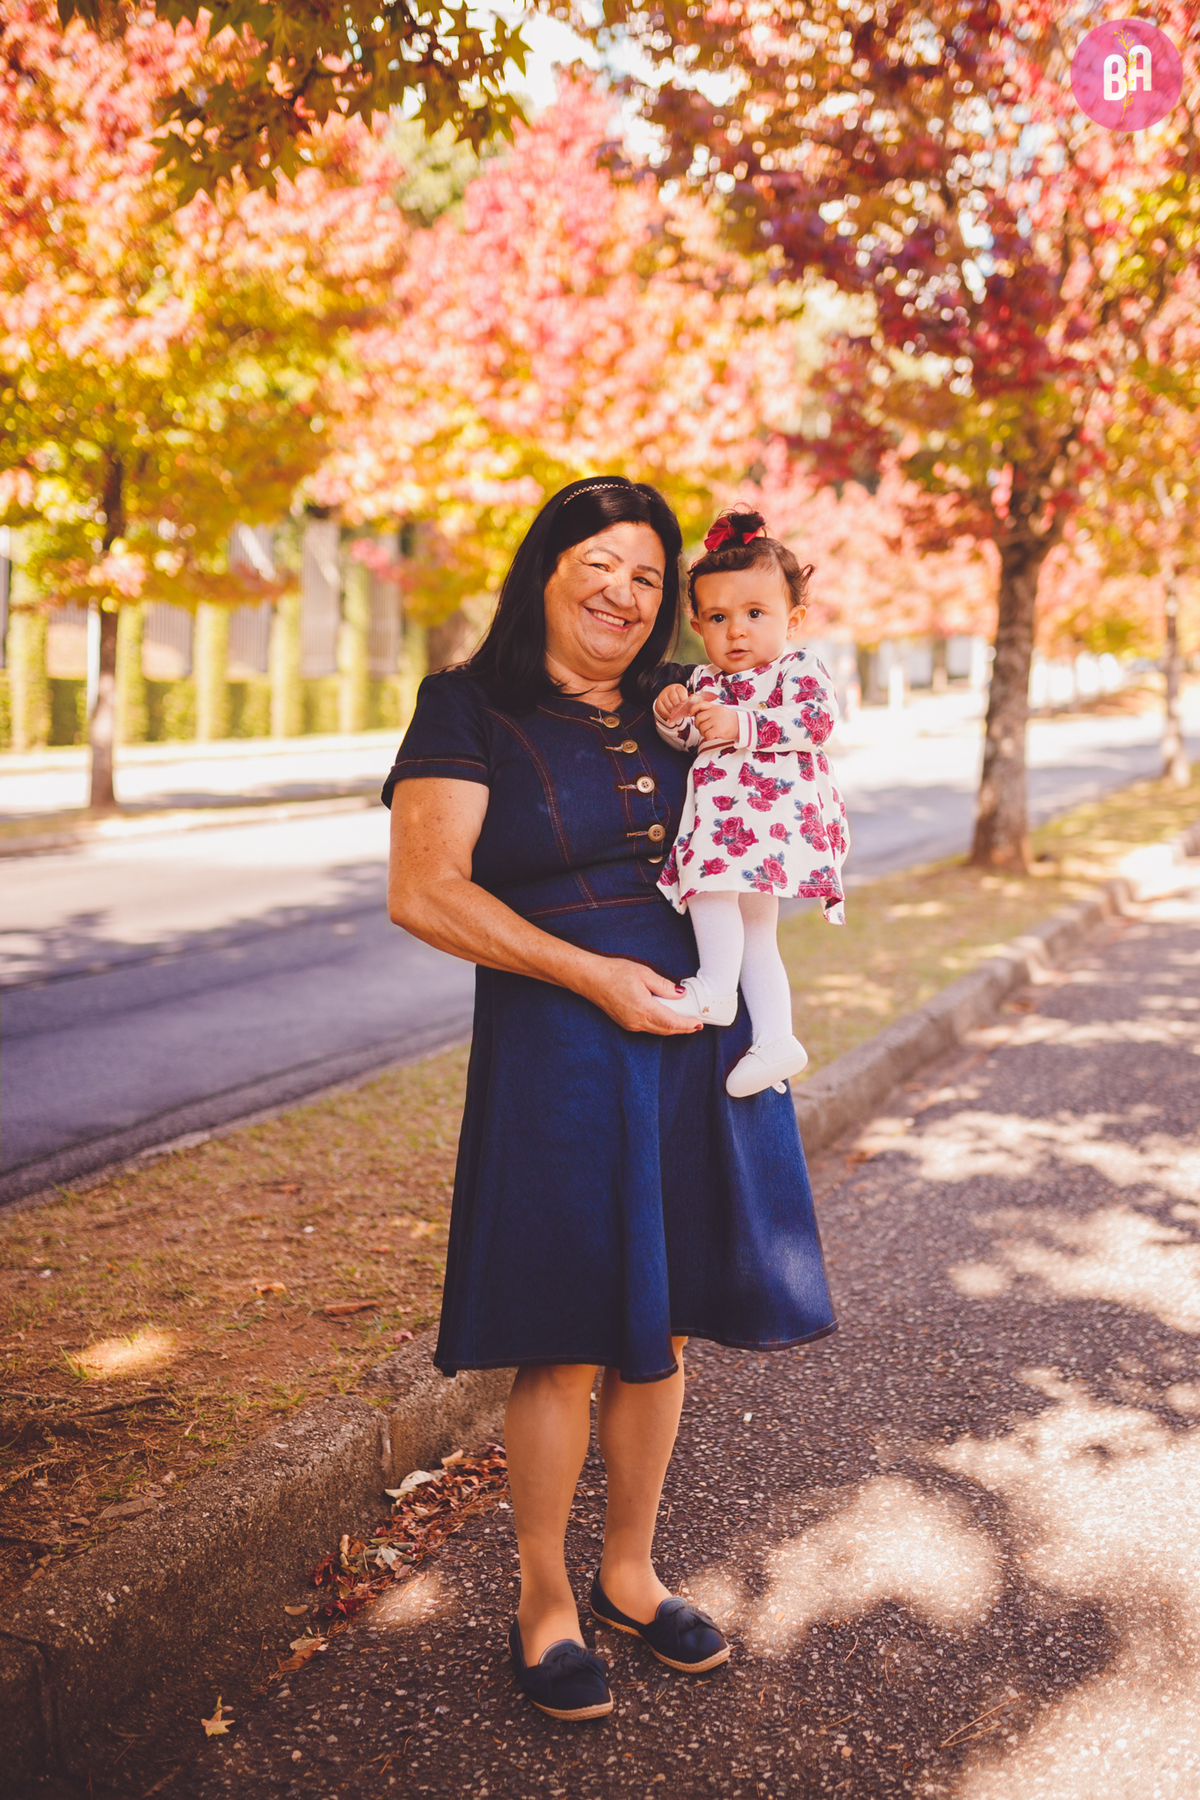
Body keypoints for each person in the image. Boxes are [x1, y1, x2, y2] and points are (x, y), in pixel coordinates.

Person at [384, 477, 836, 1724]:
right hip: (563, 1042)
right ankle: (545, 1600)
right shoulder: (466, 706)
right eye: (599, 565)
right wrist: (591, 976)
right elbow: (425, 890)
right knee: (569, 1334)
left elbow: (786, 764)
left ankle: (630, 1575)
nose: (623, 595)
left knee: (668, 1322)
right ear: (544, 569)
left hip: (698, 1033)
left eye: (646, 577)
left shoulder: (685, 696)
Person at [654, 508, 850, 1097]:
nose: (736, 631)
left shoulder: (796, 668)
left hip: (766, 817)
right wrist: (673, 720)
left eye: (755, 614)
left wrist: (741, 723)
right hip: (729, 815)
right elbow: (691, 742)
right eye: (719, 617)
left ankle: (715, 986)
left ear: (793, 619)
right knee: (758, 932)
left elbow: (817, 722)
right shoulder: (704, 681)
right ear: (697, 625)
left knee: (709, 883)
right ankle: (776, 1038)